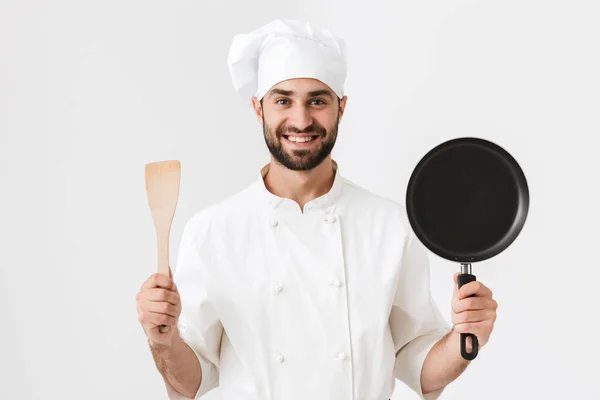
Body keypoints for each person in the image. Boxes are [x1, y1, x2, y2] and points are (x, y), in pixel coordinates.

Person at [135, 19, 498, 400]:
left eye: (317, 100)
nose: (301, 119)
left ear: (341, 108)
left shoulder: (390, 226)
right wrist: (163, 340)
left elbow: (421, 367)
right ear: (259, 109)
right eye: (283, 100)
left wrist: (464, 339)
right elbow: (190, 382)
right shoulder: (211, 231)